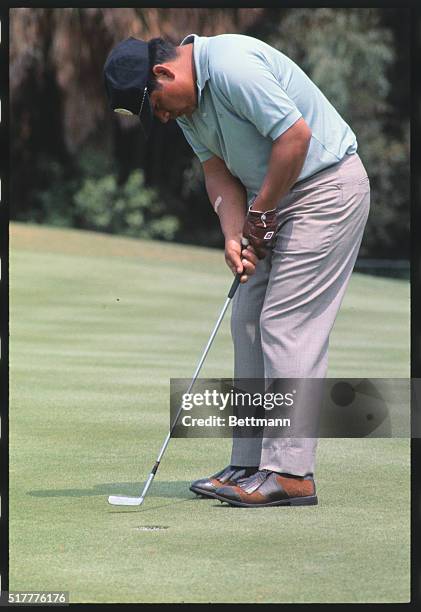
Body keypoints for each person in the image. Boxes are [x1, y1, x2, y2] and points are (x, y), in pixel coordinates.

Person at [103, 33, 370, 507]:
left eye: (156, 106)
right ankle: (249, 464)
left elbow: (296, 137)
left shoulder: (231, 65)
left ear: (163, 73)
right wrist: (234, 232)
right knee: (247, 320)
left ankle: (290, 473)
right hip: (275, 202)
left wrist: (261, 213)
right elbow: (217, 172)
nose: (162, 117)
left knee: (286, 324)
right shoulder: (188, 107)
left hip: (325, 191)